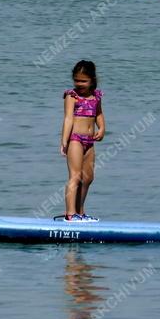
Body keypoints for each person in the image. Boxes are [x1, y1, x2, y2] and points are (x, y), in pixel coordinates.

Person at [60, 60, 105, 221]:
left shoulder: (96, 96)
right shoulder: (72, 96)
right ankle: (70, 214)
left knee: (88, 178)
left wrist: (101, 128)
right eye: (76, 80)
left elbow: (98, 114)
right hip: (75, 140)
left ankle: (80, 212)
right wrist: (64, 141)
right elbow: (68, 119)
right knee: (75, 176)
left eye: (83, 81)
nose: (79, 84)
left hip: (89, 142)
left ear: (92, 80)